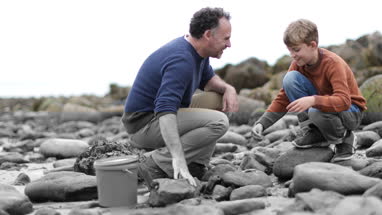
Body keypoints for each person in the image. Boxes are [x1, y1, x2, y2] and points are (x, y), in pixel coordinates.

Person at [122, 7, 238, 188]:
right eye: (226, 38)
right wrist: (177, 157)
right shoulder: (181, 59)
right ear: (208, 35)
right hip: (144, 123)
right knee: (219, 122)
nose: (229, 44)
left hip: (162, 113)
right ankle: (156, 163)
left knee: (219, 101)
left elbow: (208, 80)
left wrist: (228, 88)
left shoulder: (198, 51)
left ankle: (196, 164)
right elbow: (165, 109)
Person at [251, 19, 367, 162]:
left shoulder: (332, 63)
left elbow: (343, 100)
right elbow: (283, 98)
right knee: (290, 79)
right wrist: (262, 123)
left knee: (315, 110)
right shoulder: (298, 64)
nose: (292, 55)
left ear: (313, 45)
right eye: (290, 50)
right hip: (325, 108)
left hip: (351, 111)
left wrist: (313, 100)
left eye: (296, 49)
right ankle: (314, 130)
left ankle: (345, 138)